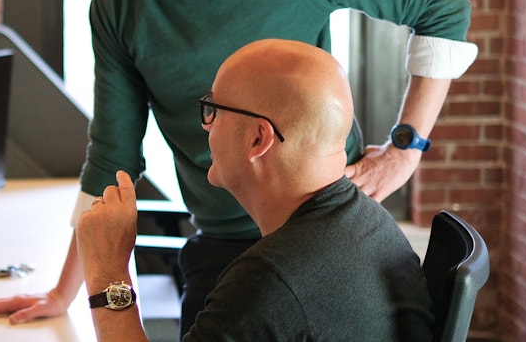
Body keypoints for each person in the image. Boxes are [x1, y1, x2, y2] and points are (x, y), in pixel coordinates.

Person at [0, 0, 476, 334]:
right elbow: (112, 155)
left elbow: (442, 8)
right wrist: (63, 292)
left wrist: (405, 150)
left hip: (322, 226)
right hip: (223, 242)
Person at [76, 39, 434, 341]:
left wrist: (108, 272)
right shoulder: (369, 222)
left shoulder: (269, 282)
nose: (206, 127)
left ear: (258, 138)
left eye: (212, 110)